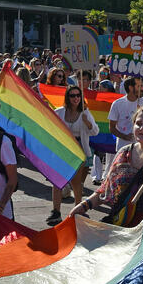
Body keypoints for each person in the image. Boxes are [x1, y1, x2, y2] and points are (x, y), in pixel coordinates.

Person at [71, 105, 143, 226]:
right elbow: (105, 190)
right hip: (122, 225)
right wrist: (83, 206)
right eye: (138, 123)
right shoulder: (123, 153)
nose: (142, 128)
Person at [47, 86, 99, 225]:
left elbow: (95, 132)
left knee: (76, 182)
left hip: (78, 149)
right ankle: (56, 212)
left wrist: (87, 122)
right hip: (63, 149)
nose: (76, 98)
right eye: (72, 95)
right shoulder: (59, 112)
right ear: (67, 98)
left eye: (78, 95)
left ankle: (78, 209)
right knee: (57, 180)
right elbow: (50, 128)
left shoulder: (85, 113)